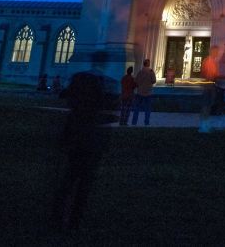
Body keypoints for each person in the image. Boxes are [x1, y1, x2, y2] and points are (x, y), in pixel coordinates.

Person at [52, 50, 119, 233]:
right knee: (85, 182)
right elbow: (112, 112)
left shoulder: (78, 78)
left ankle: (57, 216)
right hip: (94, 139)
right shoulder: (109, 84)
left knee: (69, 177)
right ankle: (74, 220)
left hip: (75, 135)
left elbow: (66, 99)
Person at [199, 46, 220, 133]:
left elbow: (215, 74)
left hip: (211, 85)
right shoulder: (208, 61)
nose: (217, 53)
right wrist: (211, 78)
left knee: (209, 105)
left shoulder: (213, 62)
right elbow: (205, 74)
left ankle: (206, 124)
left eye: (217, 52)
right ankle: (203, 126)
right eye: (216, 51)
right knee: (206, 105)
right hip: (208, 86)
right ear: (211, 51)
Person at [130, 59, 157, 126]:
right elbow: (154, 81)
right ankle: (146, 122)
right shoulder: (151, 72)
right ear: (148, 64)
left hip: (140, 92)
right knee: (147, 109)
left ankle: (134, 122)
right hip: (148, 93)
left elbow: (136, 81)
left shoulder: (140, 72)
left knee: (137, 108)